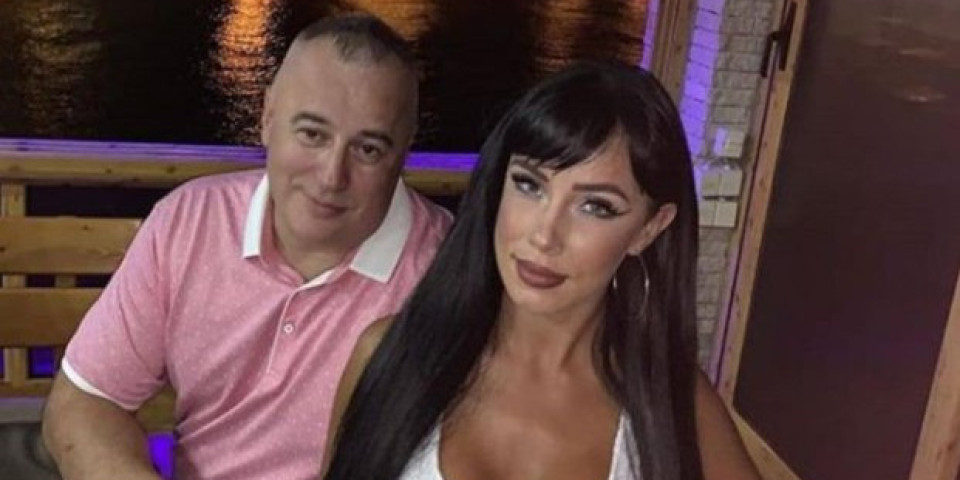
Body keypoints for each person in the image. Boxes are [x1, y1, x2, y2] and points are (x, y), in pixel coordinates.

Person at [41, 13, 452, 480]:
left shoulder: (450, 269)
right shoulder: (190, 221)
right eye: (312, 134)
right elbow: (86, 400)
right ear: (267, 118)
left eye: (368, 149)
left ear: (405, 152)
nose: (331, 176)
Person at [322, 61, 760, 480]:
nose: (545, 235)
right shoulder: (389, 356)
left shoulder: (674, 404)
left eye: (595, 206)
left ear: (649, 229)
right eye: (529, 184)